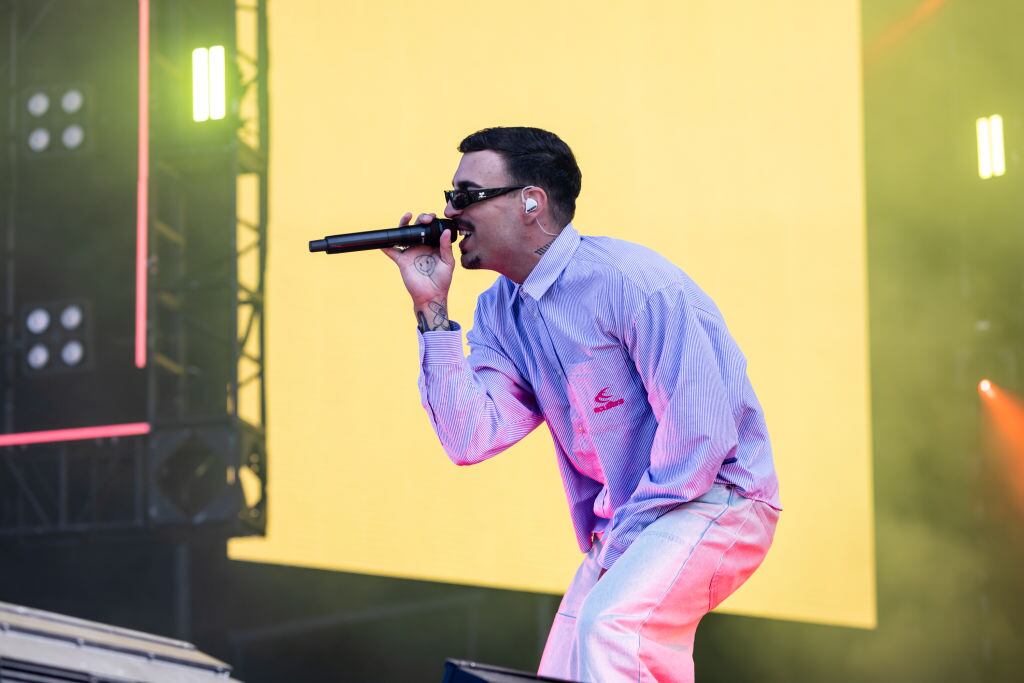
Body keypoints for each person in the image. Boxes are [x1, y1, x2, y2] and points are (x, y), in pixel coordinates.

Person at [383, 126, 781, 683]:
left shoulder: (632, 283)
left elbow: (701, 438)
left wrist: (622, 541)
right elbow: (470, 437)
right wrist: (431, 306)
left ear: (531, 202)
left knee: (614, 627)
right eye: (450, 196)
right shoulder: (502, 311)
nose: (448, 212)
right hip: (634, 520)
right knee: (566, 666)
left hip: (716, 497)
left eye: (467, 196)